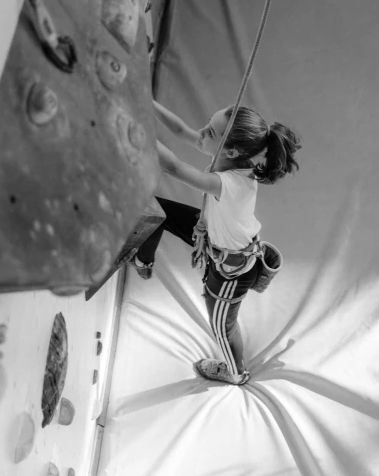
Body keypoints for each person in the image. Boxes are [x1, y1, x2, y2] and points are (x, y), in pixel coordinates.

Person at [129, 100, 301, 386]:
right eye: (209, 123)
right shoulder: (228, 154)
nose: (201, 132)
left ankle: (236, 373)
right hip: (209, 231)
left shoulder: (231, 183)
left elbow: (173, 167)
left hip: (231, 271)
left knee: (222, 326)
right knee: (155, 210)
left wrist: (133, 130)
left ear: (231, 151)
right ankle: (143, 261)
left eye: (210, 131)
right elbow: (180, 128)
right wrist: (146, 100)